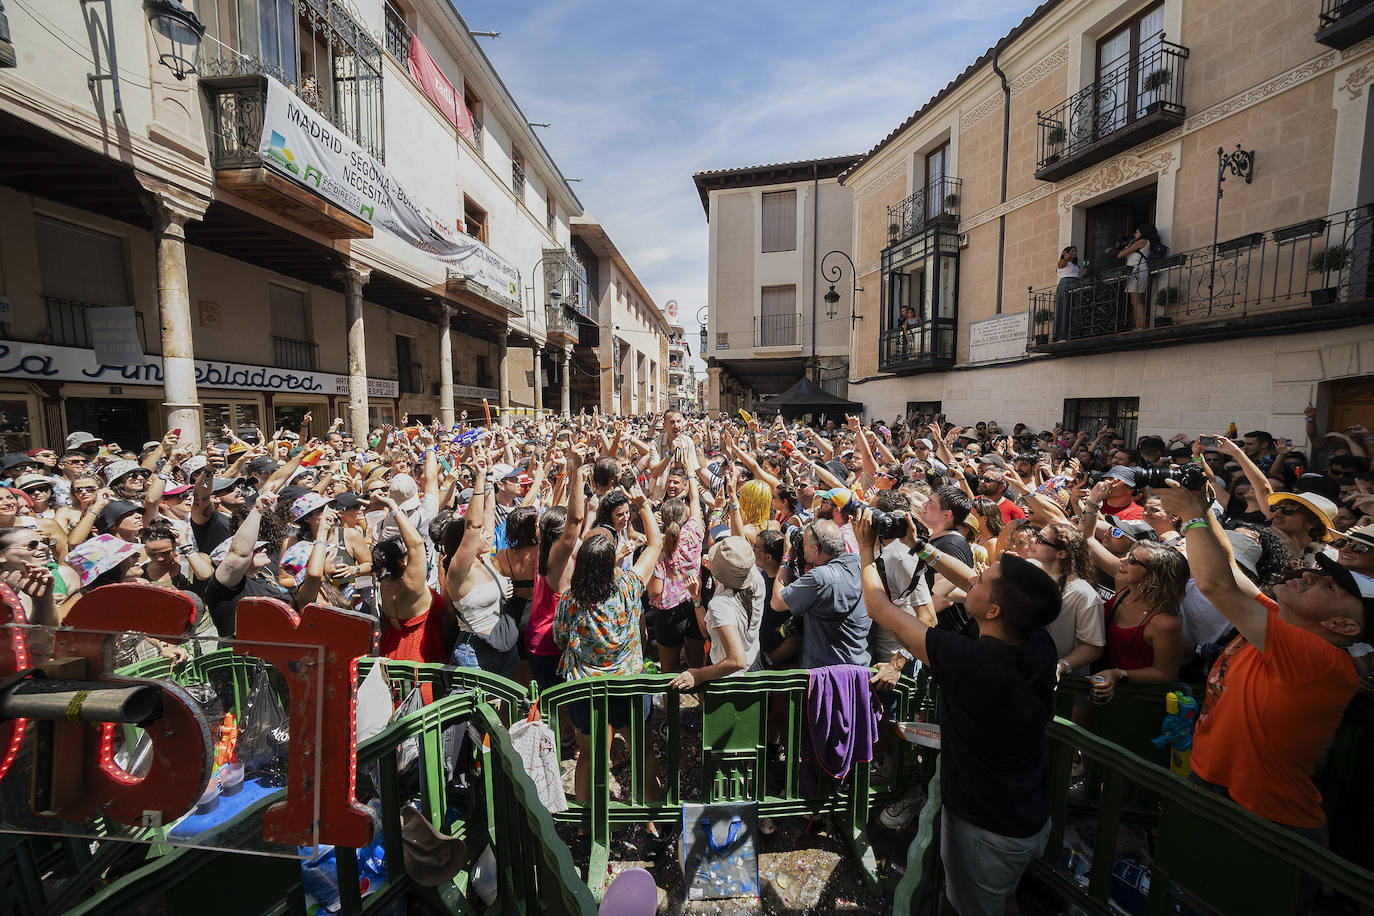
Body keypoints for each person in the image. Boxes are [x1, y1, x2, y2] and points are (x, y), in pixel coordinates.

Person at [853, 508, 1062, 916]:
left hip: (986, 826)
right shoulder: (1037, 641)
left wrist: (865, 548)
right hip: (1028, 810)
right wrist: (919, 545)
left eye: (981, 580)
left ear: (993, 610)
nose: (973, 577)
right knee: (1003, 898)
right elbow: (980, 585)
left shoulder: (970, 660)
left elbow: (879, 608)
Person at [1154, 480, 1366, 842]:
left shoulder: (1323, 660)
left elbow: (1216, 585)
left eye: (1327, 586)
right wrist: (1204, 510)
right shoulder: (1281, 623)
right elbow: (1230, 571)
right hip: (1218, 787)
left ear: (1341, 625)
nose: (1308, 575)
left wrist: (1190, 516)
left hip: (1264, 823)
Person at [553, 484, 662, 803]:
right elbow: (655, 544)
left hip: (586, 690)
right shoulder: (628, 587)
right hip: (628, 686)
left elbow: (560, 639)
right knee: (643, 752)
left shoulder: (570, 601)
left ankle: (588, 822)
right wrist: (643, 505)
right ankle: (654, 819)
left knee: (589, 757)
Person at [1090, 540, 1189, 702]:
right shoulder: (1124, 586)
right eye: (1128, 555)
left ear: (1151, 578)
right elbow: (1089, 541)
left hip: (1134, 698)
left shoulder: (1164, 623)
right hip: (1099, 684)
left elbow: (1165, 674)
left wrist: (1118, 674)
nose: (1122, 560)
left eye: (1132, 560)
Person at [769, 519, 871, 668]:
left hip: (827, 674)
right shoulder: (859, 563)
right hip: (859, 666)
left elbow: (777, 602)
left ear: (816, 550)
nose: (801, 547)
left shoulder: (820, 578)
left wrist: (787, 557)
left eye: (804, 543)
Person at [669, 535, 765, 689]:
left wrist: (699, 674)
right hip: (754, 665)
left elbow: (736, 661)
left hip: (729, 679)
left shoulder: (721, 605)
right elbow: (740, 554)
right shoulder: (756, 578)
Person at [1117, 224, 1160, 330]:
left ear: (1143, 233)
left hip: (1137, 272)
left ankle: (1141, 325)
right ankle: (1139, 325)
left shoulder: (1142, 241)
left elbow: (1120, 254)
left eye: (1136, 232)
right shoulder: (1145, 242)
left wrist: (1128, 245)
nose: (1135, 234)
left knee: (1135, 300)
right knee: (1137, 300)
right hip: (1139, 272)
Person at [1053, 245, 1080, 340]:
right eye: (1072, 251)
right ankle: (1061, 335)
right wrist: (1065, 256)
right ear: (1067, 253)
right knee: (1064, 308)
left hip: (1075, 284)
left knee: (1074, 308)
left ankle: (1072, 333)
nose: (1075, 252)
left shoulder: (1074, 264)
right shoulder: (1064, 262)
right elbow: (1060, 265)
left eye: (1075, 251)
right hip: (1065, 284)